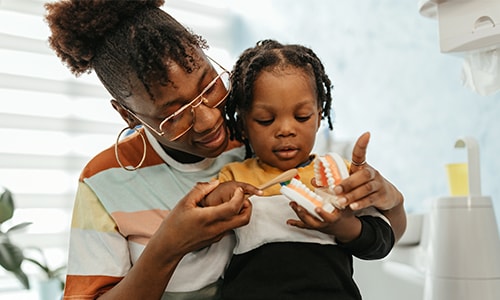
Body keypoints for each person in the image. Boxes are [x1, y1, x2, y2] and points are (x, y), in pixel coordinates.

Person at [44, 1, 406, 299]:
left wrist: (392, 199)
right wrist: (168, 247)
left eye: (208, 84)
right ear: (126, 113)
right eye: (174, 114)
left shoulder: (258, 137)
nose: (206, 120)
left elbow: (382, 233)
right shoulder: (104, 181)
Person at [203, 39, 394, 300]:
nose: (285, 130)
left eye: (302, 116)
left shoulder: (341, 174)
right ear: (244, 124)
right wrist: (219, 198)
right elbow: (204, 226)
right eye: (265, 120)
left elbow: (381, 242)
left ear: (318, 116)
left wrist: (344, 226)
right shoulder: (234, 176)